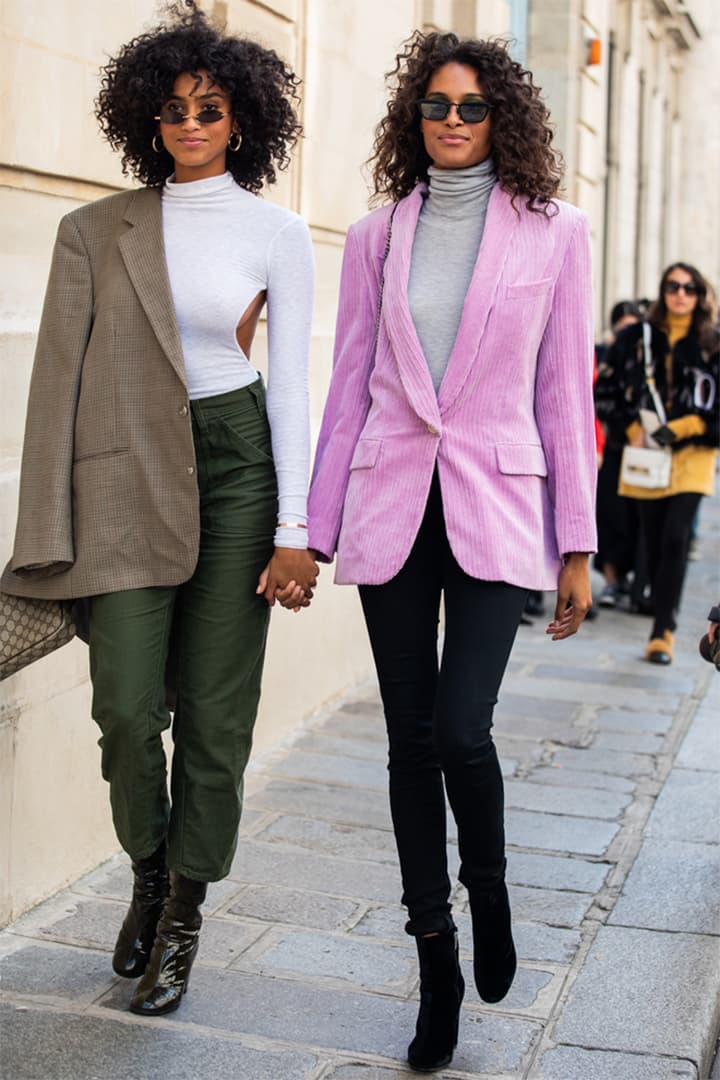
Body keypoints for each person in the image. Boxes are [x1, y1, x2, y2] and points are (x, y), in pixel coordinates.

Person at [1, 2, 317, 1016]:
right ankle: (147, 862)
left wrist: (296, 529)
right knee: (128, 709)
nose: (191, 122)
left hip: (236, 467)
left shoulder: (276, 232)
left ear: (241, 121)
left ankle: (181, 916)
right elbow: (54, 385)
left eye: (211, 108)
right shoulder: (93, 229)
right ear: (149, 116)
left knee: (216, 720)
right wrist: (42, 534)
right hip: (124, 474)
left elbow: (294, 387)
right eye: (175, 107)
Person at [308, 31, 596, 1072]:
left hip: (495, 504)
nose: (453, 121)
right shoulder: (378, 234)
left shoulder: (555, 232)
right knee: (409, 742)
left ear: (502, 116)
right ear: (412, 116)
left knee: (464, 731)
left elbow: (565, 393)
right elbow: (349, 385)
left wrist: (577, 545)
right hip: (393, 501)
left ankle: (491, 887)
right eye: (436, 104)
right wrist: (314, 528)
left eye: (473, 106)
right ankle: (433, 956)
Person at [598, 263, 719, 664]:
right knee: (652, 537)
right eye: (672, 286)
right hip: (647, 454)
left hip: (693, 455)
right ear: (663, 291)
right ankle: (654, 606)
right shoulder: (637, 338)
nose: (680, 294)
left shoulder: (712, 343)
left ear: (700, 294)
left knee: (675, 537)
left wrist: (690, 424)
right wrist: (631, 425)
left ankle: (662, 629)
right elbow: (606, 389)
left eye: (689, 287)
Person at [594, 300, 642, 608]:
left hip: (648, 452)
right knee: (610, 516)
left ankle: (634, 581)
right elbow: (597, 400)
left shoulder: (652, 357)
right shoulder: (605, 355)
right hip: (614, 446)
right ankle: (611, 579)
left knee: (637, 520)